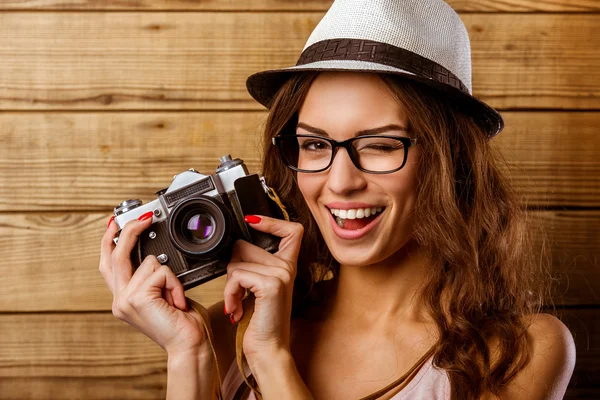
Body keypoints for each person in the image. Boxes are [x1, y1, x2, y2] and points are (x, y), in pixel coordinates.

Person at [99, 0, 576, 399]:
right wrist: (190, 354)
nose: (340, 182)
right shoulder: (223, 334)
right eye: (315, 145)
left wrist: (272, 359)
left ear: (451, 161)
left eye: (381, 145)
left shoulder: (518, 353)